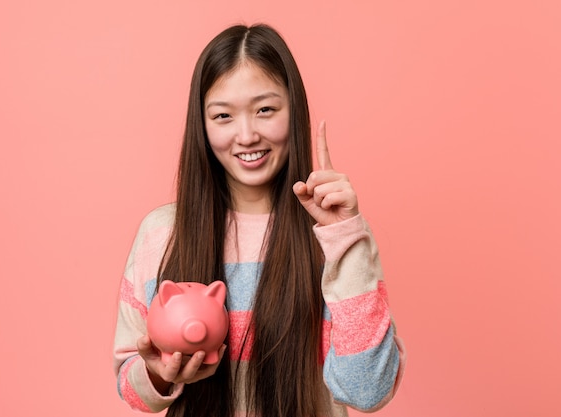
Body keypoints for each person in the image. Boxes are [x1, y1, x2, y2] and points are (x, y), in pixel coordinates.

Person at [113, 23, 406, 417]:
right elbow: (132, 386)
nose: (246, 135)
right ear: (202, 124)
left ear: (294, 109)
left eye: (265, 109)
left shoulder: (336, 234)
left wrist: (343, 236)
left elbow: (367, 390)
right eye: (223, 116)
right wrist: (159, 373)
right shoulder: (162, 233)